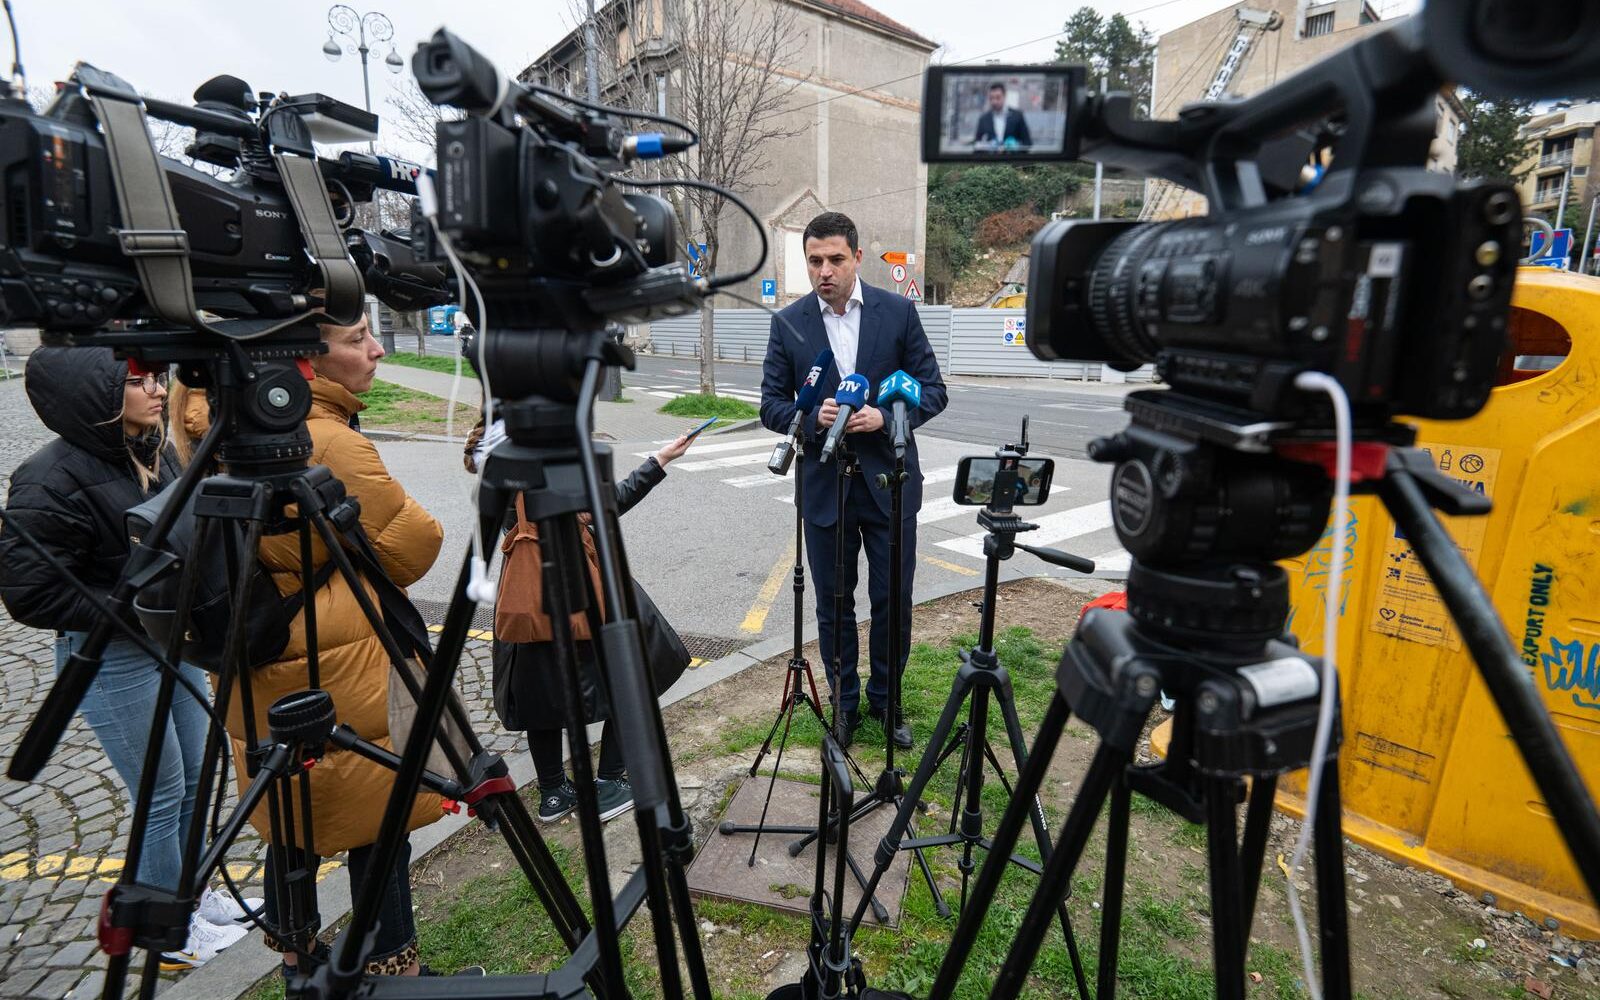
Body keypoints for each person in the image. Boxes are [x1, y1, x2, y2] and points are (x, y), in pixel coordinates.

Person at [179, 313, 460, 978]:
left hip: (260, 660)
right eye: (357, 337)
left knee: (289, 816)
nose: (377, 348)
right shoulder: (327, 440)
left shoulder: (218, 422)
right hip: (337, 660)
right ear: (303, 355)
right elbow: (416, 547)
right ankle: (394, 972)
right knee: (377, 820)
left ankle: (298, 961)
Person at [0, 348, 259, 970]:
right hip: (112, 658)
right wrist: (131, 606)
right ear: (94, 397)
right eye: (137, 381)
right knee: (160, 794)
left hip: (170, 641)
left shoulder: (153, 449)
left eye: (155, 376)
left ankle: (190, 898)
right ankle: (163, 932)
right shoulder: (46, 479)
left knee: (195, 777)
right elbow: (31, 593)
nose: (157, 388)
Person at [760, 212, 948, 750]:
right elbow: (771, 405)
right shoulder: (789, 323)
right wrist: (810, 416)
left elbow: (933, 390)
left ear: (857, 258)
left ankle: (887, 702)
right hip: (825, 487)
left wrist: (885, 417)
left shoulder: (898, 313)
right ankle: (844, 705)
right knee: (834, 604)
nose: (825, 270)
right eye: (815, 260)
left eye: (836, 259)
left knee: (893, 600)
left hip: (889, 483)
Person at [467, 421, 697, 823]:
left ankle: (553, 793)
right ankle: (608, 784)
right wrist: (658, 462)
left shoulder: (494, 455)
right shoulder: (545, 451)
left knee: (541, 697)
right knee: (632, 678)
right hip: (581, 589)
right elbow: (604, 506)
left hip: (526, 595)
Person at [973, 81, 1032, 150]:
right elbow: (977, 144)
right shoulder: (983, 119)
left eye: (998, 97)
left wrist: (1017, 146)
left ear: (1004, 96)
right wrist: (986, 146)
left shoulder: (1017, 116)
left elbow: (1027, 143)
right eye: (991, 98)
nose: (994, 101)